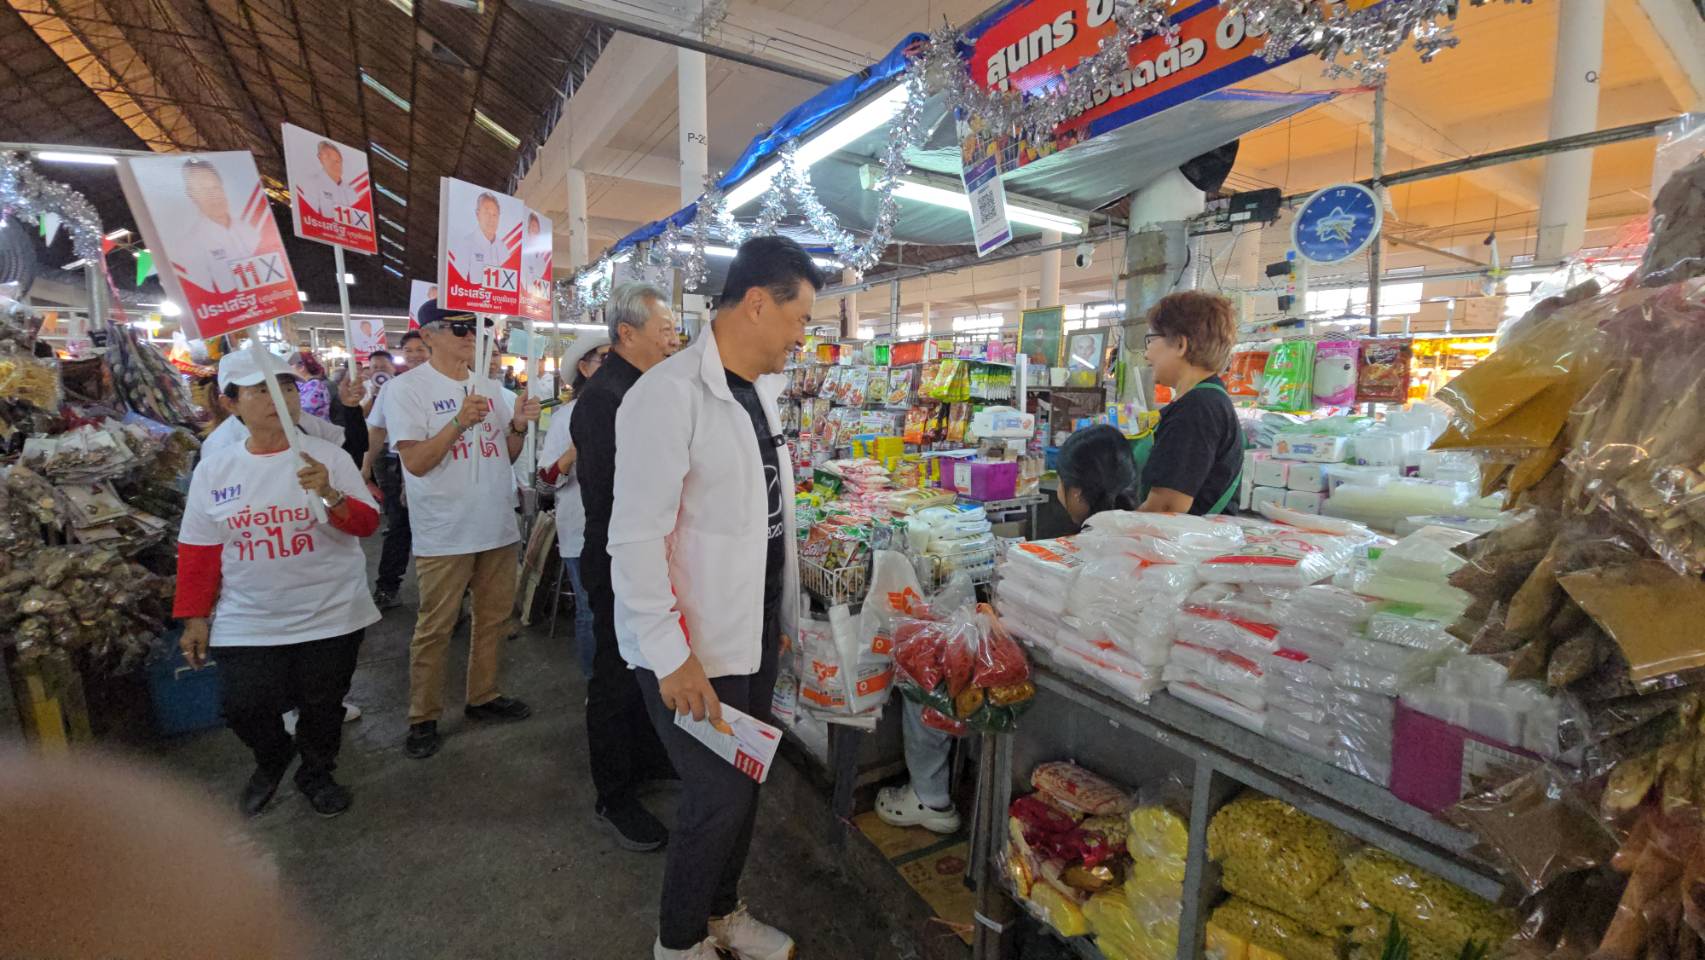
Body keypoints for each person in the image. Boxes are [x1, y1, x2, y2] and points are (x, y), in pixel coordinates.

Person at [609, 236, 820, 960]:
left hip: (749, 632)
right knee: (715, 798)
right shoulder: (666, 396)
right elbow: (635, 539)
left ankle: (724, 912)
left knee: (746, 782)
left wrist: (778, 616)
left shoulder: (759, 394)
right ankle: (679, 943)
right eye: (799, 318)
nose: (802, 336)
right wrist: (671, 656)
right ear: (757, 303)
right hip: (690, 646)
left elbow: (763, 520)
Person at [173, 349, 382, 818]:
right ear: (231, 403)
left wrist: (329, 493)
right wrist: (194, 617)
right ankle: (272, 757)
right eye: (262, 390)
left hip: (330, 610)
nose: (279, 398)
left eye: (287, 387)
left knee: (322, 705)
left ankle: (317, 772)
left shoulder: (328, 458)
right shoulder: (215, 469)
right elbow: (199, 547)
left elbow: (367, 524)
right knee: (242, 705)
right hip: (249, 615)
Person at [381, 301, 539, 760]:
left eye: (477, 327)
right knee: (436, 627)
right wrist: (457, 422)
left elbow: (505, 454)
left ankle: (483, 695)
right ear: (428, 335)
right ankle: (423, 716)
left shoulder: (488, 387)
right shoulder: (406, 389)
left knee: (493, 619)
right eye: (459, 328)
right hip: (445, 531)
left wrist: (518, 426)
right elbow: (415, 461)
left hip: (496, 524)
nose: (472, 335)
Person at [569, 283, 681, 853]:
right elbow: (619, 493)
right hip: (618, 554)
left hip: (647, 550)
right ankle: (613, 794)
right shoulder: (604, 399)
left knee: (647, 664)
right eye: (665, 329)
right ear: (627, 333)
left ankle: (646, 760)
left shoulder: (647, 387)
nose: (673, 338)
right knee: (616, 673)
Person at [536, 331, 610, 676]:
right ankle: (595, 684)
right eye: (605, 359)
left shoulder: (632, 408)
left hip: (623, 528)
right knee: (590, 610)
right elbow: (545, 482)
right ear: (584, 367)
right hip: (581, 531)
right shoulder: (566, 418)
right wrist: (575, 450)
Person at [1135, 291, 1243, 516]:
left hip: (1180, 536)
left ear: (1180, 345)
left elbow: (1167, 507)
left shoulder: (1197, 409)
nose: (1147, 354)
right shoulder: (1207, 400)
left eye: (1151, 340)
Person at [363, 331, 427, 611]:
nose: (414, 355)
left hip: (436, 467)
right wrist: (365, 467)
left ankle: (447, 595)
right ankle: (388, 587)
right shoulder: (392, 388)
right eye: (408, 350)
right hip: (395, 465)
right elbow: (377, 429)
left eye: (420, 349)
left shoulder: (448, 385)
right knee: (399, 525)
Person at [179, 159, 265, 295]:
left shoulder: (250, 228)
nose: (214, 196)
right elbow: (203, 295)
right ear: (191, 195)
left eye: (215, 187)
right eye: (204, 190)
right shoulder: (191, 244)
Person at [1054, 424, 1142, 526]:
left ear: (1077, 493)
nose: (1058, 490)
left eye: (1060, 481)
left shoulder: (1090, 536)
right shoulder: (1146, 531)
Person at [450, 192, 507, 288]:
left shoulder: (503, 248)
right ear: (477, 214)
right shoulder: (466, 244)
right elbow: (457, 283)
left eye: (495, 215)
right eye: (487, 213)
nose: (491, 219)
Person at [297, 140, 358, 217]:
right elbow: (310, 215)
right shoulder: (313, 182)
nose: (335, 165)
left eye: (337, 161)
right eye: (328, 158)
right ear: (321, 159)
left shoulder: (350, 190)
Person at [290, 351, 332, 420]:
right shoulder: (303, 384)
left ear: (302, 367)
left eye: (290, 365)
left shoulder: (314, 385)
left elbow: (304, 411)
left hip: (314, 426)